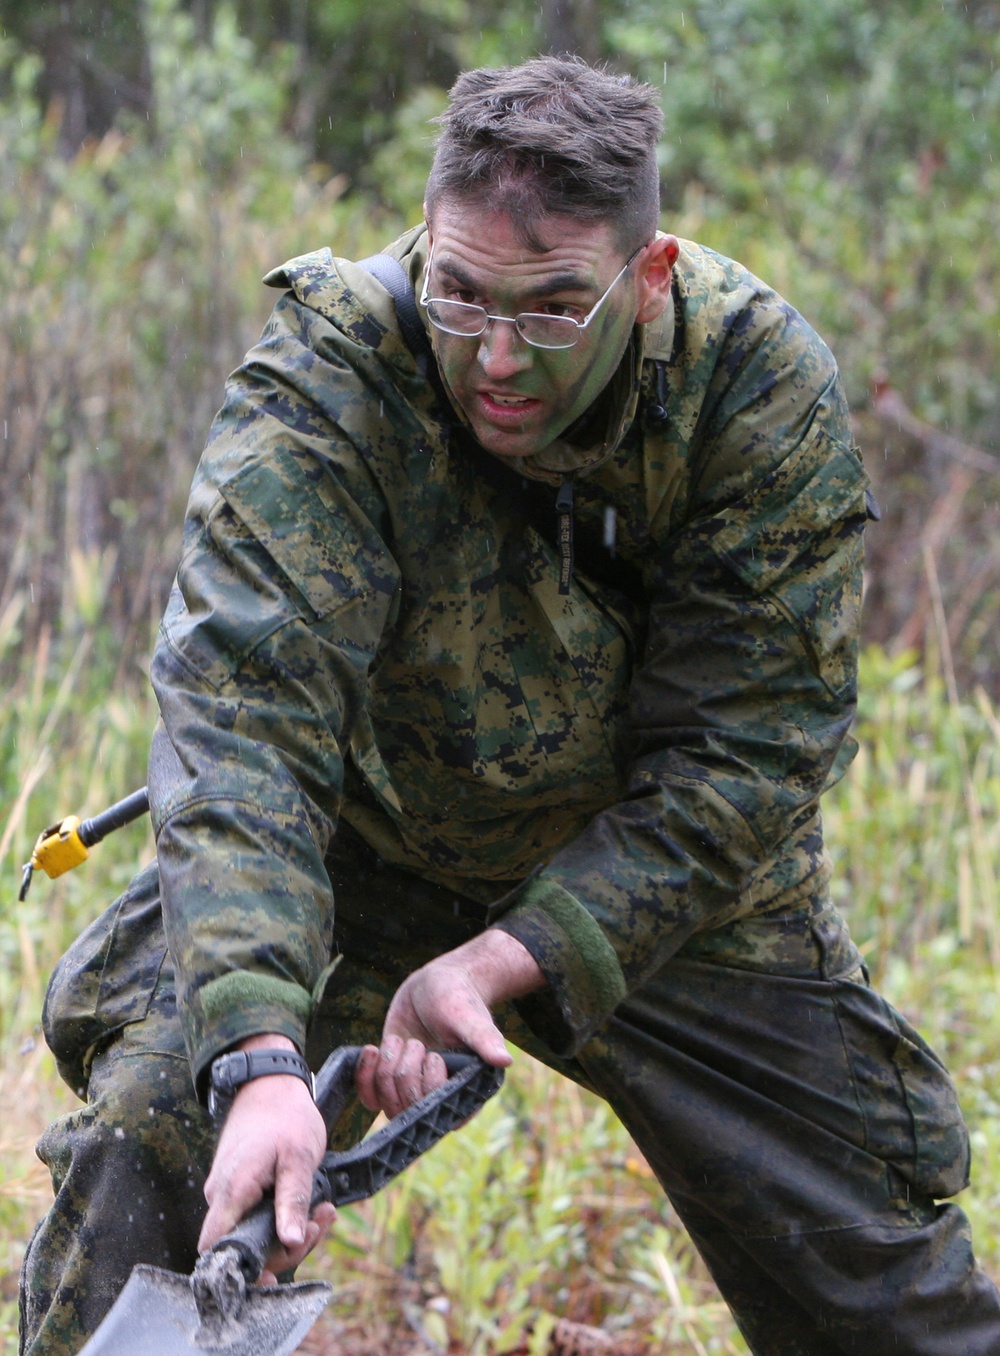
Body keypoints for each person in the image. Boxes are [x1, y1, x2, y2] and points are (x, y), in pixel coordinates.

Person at [20, 55, 1000, 1356]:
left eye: (551, 310)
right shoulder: (335, 375)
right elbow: (243, 721)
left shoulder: (752, 392)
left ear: (646, 281)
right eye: (460, 291)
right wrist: (255, 1061)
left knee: (882, 1286)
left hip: (651, 880)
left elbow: (750, 758)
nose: (493, 355)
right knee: (149, 1150)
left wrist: (510, 952)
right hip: (365, 851)